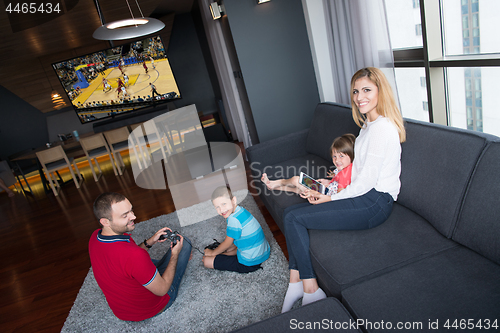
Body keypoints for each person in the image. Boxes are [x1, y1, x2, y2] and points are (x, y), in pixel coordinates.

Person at [280, 67, 406, 313]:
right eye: (356, 91)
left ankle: (309, 288)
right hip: (362, 195)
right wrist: (325, 186)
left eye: (367, 90)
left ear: (381, 91)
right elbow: (355, 175)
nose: (360, 97)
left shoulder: (382, 129)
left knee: (294, 217)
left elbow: (366, 182)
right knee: (292, 212)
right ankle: (296, 281)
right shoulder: (368, 128)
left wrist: (329, 198)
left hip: (374, 202)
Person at [88, 192, 192, 321]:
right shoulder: (135, 256)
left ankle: (155, 271)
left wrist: (150, 242)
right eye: (125, 215)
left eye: (131, 210)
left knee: (141, 264)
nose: (134, 216)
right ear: (105, 222)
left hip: (121, 311)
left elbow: (126, 261)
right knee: (185, 244)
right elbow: (162, 290)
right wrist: (175, 255)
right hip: (151, 309)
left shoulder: (95, 236)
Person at [203, 186, 271, 273]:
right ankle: (223, 254)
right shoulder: (240, 210)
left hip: (250, 262)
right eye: (217, 207)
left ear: (233, 200)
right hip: (263, 252)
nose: (221, 210)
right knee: (229, 248)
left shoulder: (233, 220)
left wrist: (212, 253)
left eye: (224, 204)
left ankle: (219, 255)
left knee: (207, 261)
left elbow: (227, 243)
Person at [261, 133, 355, 196]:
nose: (337, 160)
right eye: (334, 156)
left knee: (295, 180)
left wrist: (320, 196)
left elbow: (341, 196)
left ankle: (278, 182)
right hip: (325, 190)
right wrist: (329, 181)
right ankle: (275, 187)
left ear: (351, 155)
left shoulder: (344, 174)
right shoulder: (346, 168)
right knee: (298, 189)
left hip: (324, 195)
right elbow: (340, 181)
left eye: (341, 156)